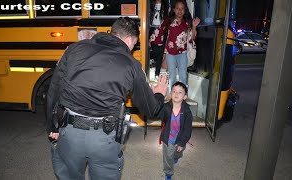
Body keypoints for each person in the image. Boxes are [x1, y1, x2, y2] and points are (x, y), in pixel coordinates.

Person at [46, 17, 169, 180]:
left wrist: (53, 127)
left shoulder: (74, 49)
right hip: (105, 138)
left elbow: (54, 89)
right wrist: (159, 94)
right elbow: (150, 108)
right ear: (129, 39)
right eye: (134, 44)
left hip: (69, 132)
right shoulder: (131, 64)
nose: (132, 49)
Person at [150, 0, 200, 91]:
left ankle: (183, 95)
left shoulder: (187, 23)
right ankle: (171, 95)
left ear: (185, 10)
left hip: (182, 53)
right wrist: (151, 40)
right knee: (172, 76)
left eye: (182, 9)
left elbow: (192, 38)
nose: (179, 11)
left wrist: (194, 26)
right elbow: (159, 31)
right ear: (173, 9)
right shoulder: (168, 21)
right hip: (170, 53)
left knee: (183, 76)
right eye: (177, 8)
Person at [158, 81, 193, 180]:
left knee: (178, 153)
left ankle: (176, 157)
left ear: (185, 97)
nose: (176, 94)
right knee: (168, 158)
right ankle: (168, 173)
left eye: (180, 92)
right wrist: (159, 100)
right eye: (174, 91)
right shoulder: (166, 107)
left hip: (180, 138)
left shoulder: (187, 111)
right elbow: (158, 113)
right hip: (168, 139)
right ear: (170, 94)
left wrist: (182, 143)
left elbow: (187, 129)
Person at [149, 0, 169, 80]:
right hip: (151, 36)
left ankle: (156, 76)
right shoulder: (149, 7)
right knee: (149, 56)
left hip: (160, 38)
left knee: (159, 58)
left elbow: (165, 24)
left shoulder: (166, 9)